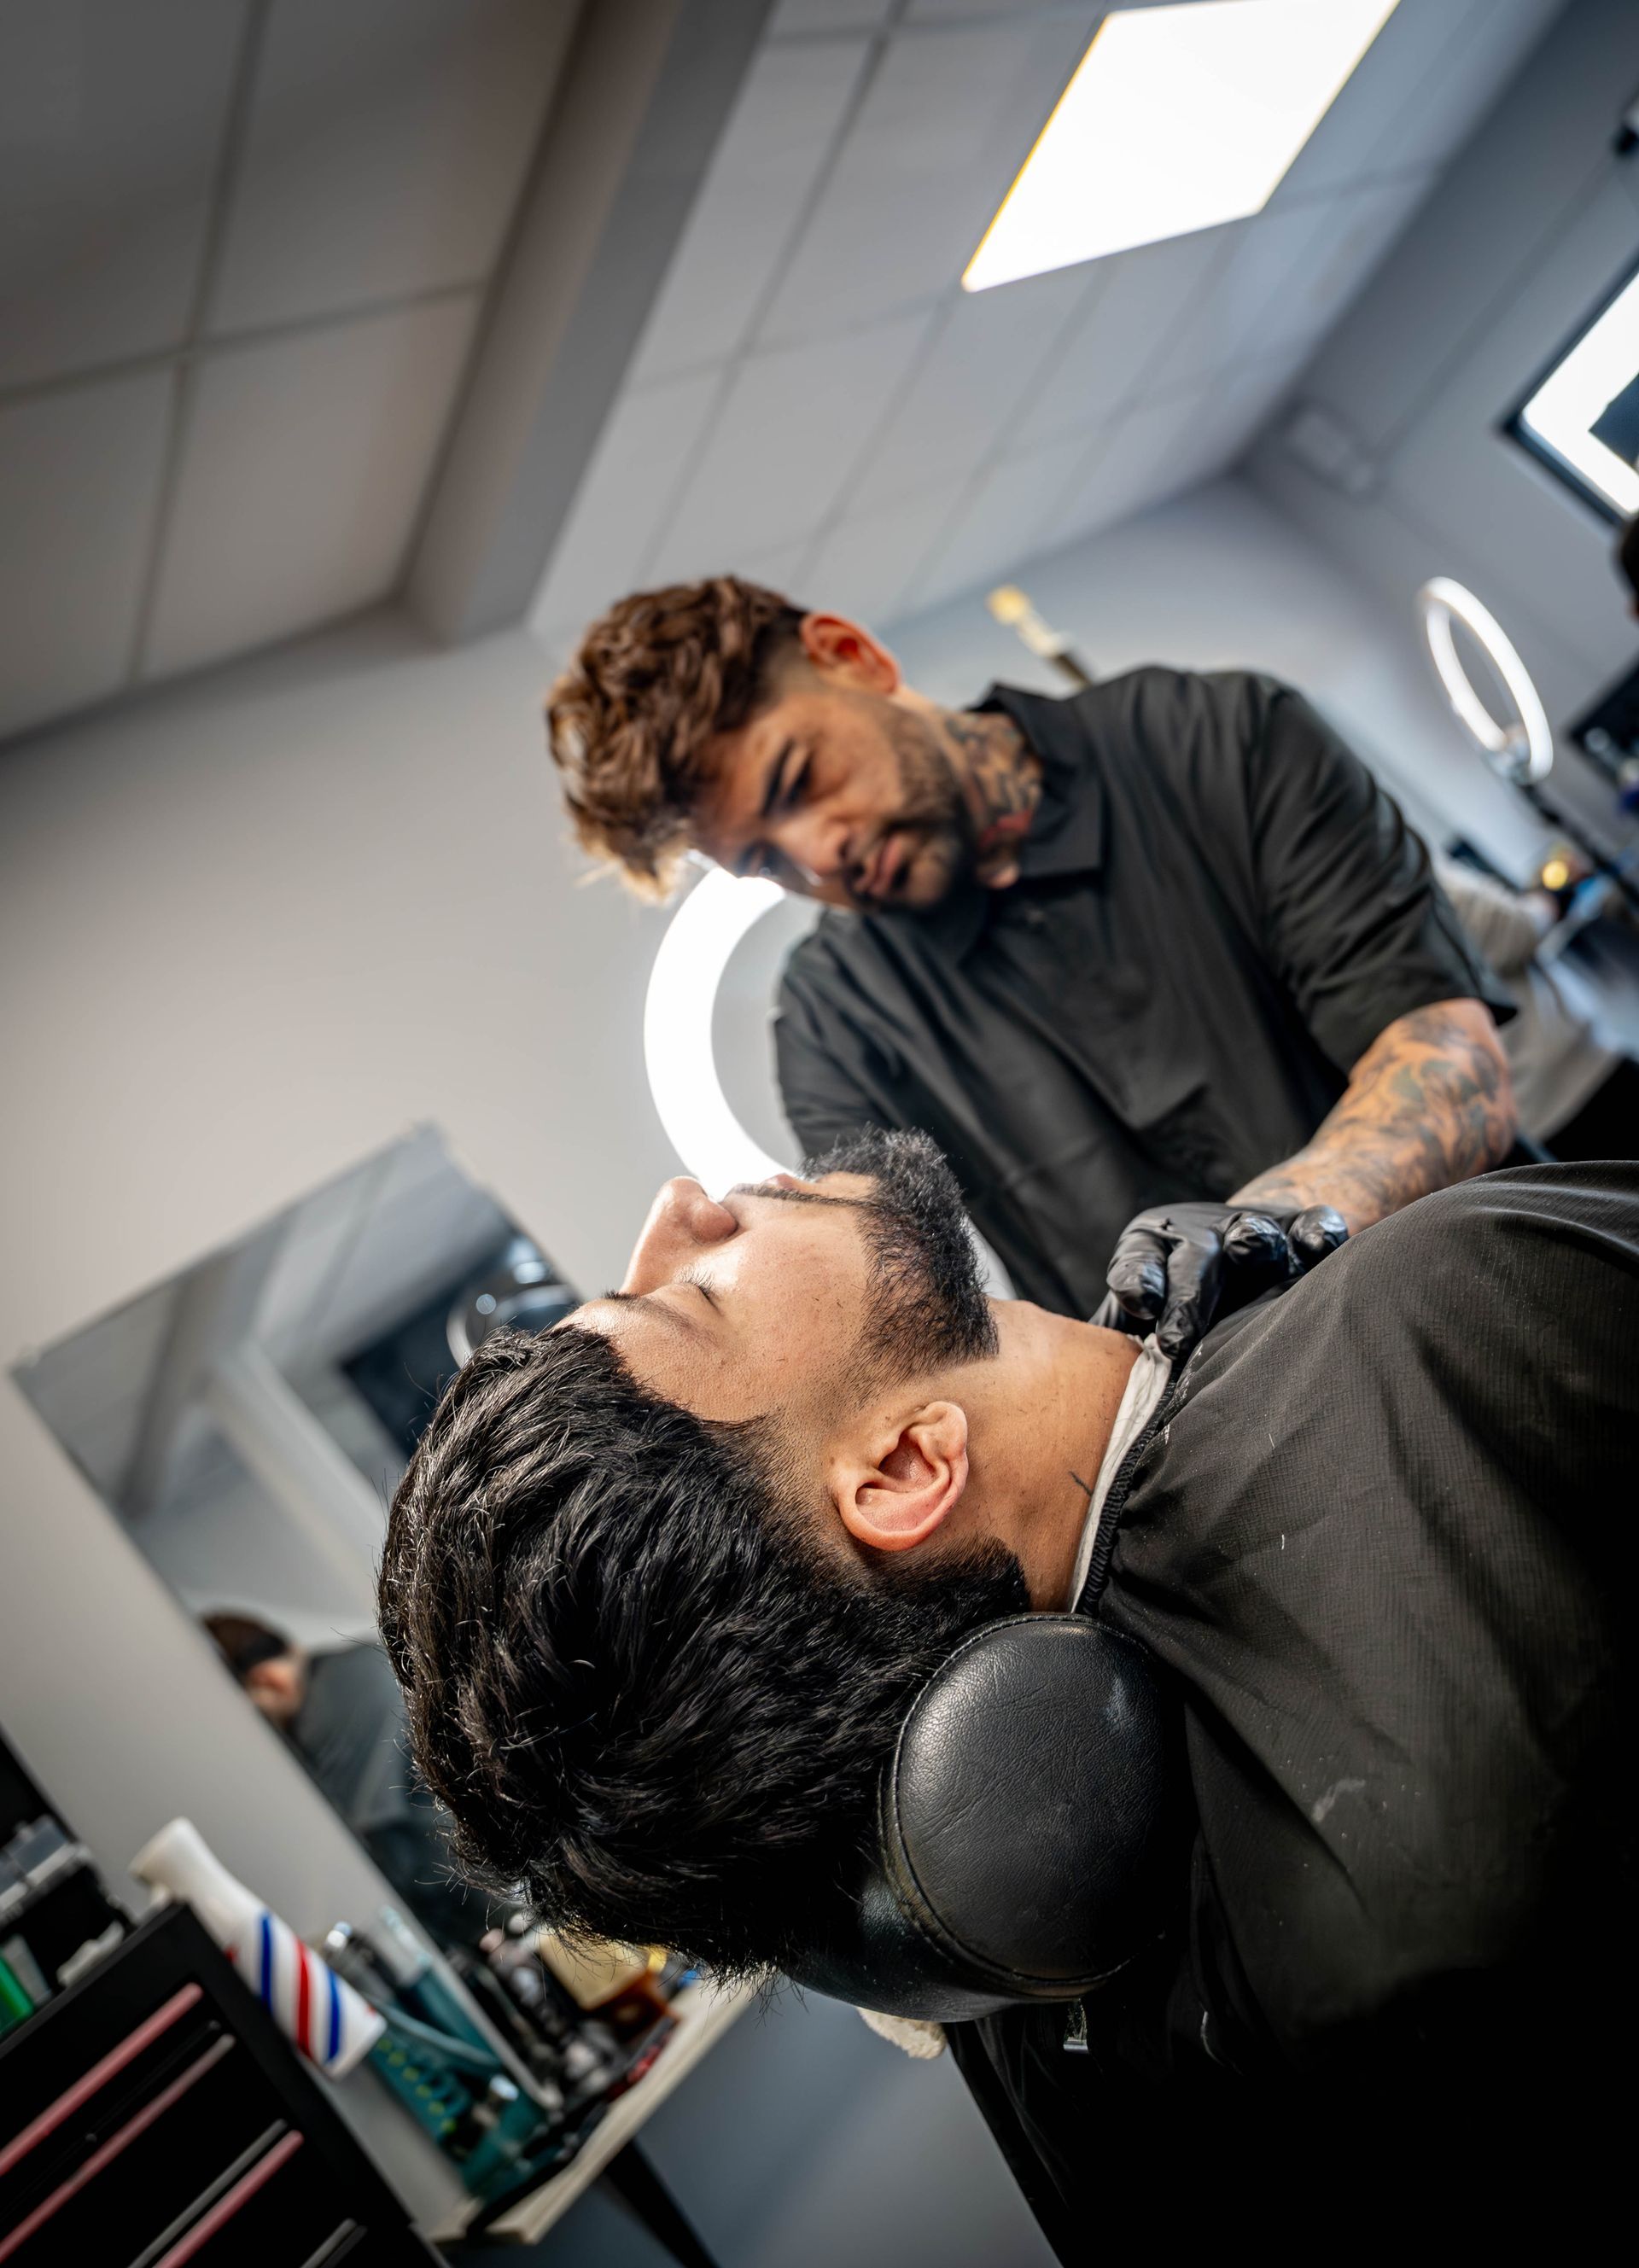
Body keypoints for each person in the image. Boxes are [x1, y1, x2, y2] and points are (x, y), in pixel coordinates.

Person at [378, 1134, 1630, 2251]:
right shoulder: (1460, 1311)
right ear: (907, 1462)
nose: (683, 1204)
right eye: (689, 1297)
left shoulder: (1019, 2020)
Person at [546, 578, 1518, 1350]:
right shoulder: (835, 1028)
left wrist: (1256, 1231)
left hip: (1501, 1306)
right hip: (1244, 1468)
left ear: (854, 657)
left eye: (801, 781)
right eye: (763, 860)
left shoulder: (1219, 738)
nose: (818, 855)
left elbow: (1447, 1061)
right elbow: (906, 1318)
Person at [203, 1613, 481, 1950]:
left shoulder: (320, 1722)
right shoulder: (370, 1653)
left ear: (270, 1680)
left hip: (476, 1895)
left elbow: (387, 1854)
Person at [1435, 852, 1639, 1157]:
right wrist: (1551, 894)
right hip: (1572, 1078)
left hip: (1529, 1105)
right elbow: (1513, 931)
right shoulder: (1396, 871)